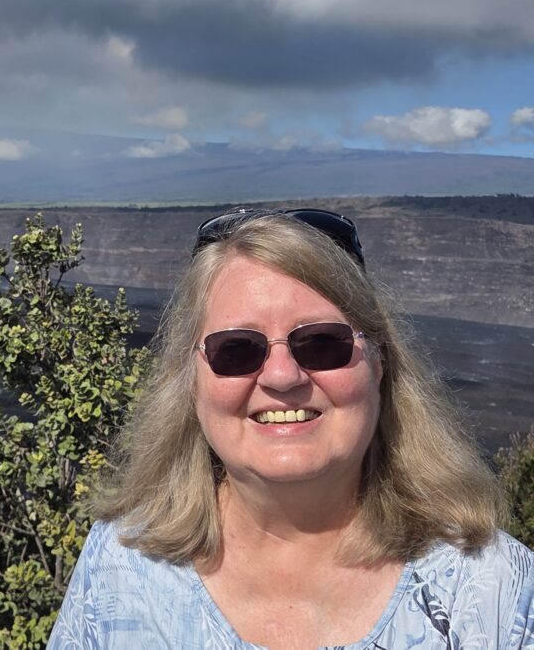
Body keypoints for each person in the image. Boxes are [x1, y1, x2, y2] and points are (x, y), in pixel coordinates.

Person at [47, 208, 534, 649]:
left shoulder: (489, 592)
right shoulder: (121, 565)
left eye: (322, 343)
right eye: (236, 349)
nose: (282, 376)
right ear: (191, 379)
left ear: (379, 362)